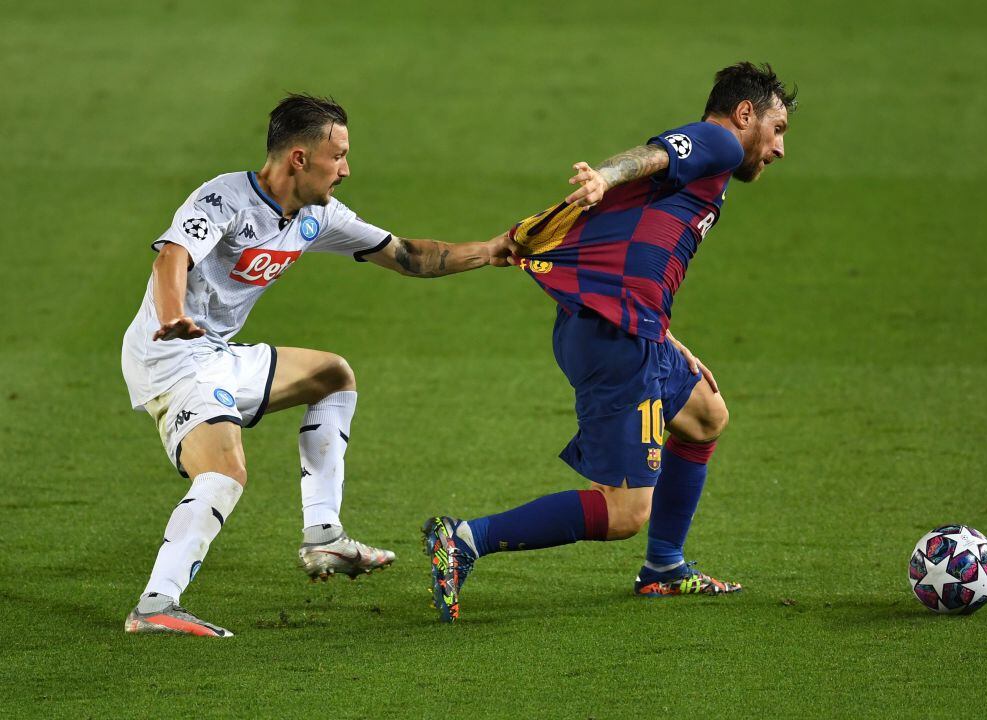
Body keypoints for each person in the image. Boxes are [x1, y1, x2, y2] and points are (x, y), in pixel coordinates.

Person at [122, 93, 517, 637]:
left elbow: (406, 254)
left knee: (333, 376)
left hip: (215, 355)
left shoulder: (316, 216)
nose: (347, 170)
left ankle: (323, 534)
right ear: (300, 159)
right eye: (339, 156)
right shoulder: (223, 199)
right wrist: (172, 317)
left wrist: (490, 250)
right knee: (224, 471)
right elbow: (173, 255)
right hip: (171, 355)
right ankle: (155, 605)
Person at [423, 62, 796, 622]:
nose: (780, 148)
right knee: (624, 512)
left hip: (631, 327)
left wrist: (670, 338)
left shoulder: (707, 171)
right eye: (778, 128)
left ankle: (666, 568)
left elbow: (638, 244)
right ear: (747, 115)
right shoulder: (718, 141)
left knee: (704, 416)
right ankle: (464, 539)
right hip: (617, 337)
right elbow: (653, 154)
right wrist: (604, 175)